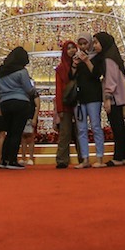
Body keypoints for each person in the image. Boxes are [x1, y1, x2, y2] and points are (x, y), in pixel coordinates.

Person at [92, 31, 125, 166]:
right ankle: (124, 156)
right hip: (119, 96)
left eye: (96, 42)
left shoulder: (108, 59)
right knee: (120, 127)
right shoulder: (114, 56)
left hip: (114, 98)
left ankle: (118, 157)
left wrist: (107, 98)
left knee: (117, 127)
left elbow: (111, 80)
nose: (95, 46)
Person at [0, 46, 36, 170]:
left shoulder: (0, 70)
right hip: (20, 103)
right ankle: (12, 160)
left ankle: (4, 159)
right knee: (16, 133)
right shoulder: (22, 71)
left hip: (4, 103)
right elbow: (29, 89)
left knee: (8, 132)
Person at [73, 37, 105, 168]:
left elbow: (97, 74)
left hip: (94, 96)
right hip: (80, 97)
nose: (82, 46)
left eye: (85, 43)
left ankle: (100, 158)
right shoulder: (77, 58)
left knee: (96, 126)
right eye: (80, 44)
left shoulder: (97, 57)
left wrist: (86, 61)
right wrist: (75, 64)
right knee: (81, 129)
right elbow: (71, 77)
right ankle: (85, 159)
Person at [53, 40, 79, 169]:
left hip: (79, 103)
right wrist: (60, 108)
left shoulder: (81, 64)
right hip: (66, 103)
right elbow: (58, 89)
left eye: (73, 47)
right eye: (68, 48)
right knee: (65, 133)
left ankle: (83, 158)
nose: (71, 50)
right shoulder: (60, 68)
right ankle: (62, 160)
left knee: (80, 132)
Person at [19, 92, 41, 165]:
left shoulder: (34, 93)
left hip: (31, 117)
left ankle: (31, 158)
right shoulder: (21, 92)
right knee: (23, 138)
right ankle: (23, 158)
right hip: (22, 117)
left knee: (30, 138)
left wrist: (34, 118)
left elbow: (37, 106)